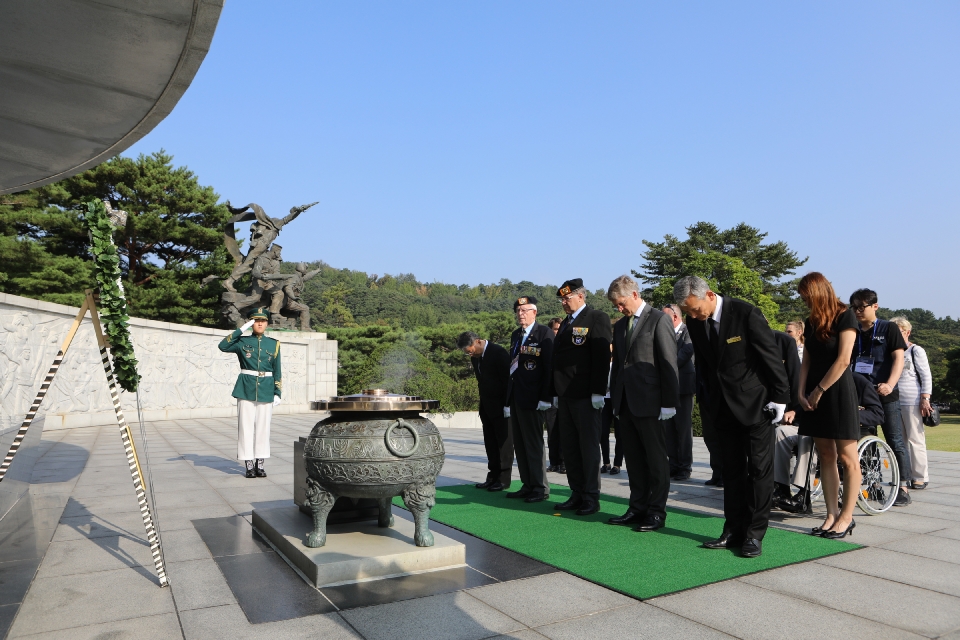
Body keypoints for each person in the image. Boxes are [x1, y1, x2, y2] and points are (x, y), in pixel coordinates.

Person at [675, 276, 789, 558]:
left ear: (710, 295)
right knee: (732, 471)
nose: (692, 315)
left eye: (694, 309)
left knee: (759, 470)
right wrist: (706, 399)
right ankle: (733, 529)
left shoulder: (745, 313)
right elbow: (703, 364)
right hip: (721, 407)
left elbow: (770, 356)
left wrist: (781, 398)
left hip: (756, 404)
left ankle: (754, 534)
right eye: (687, 311)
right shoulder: (695, 322)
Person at [607, 276, 679, 531]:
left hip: (651, 403)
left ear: (635, 295)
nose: (619, 308)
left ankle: (656, 512)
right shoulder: (619, 326)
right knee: (634, 460)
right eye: (615, 305)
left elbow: (669, 363)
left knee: (657, 461)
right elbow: (618, 368)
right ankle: (637, 507)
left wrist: (669, 403)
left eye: (621, 303)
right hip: (626, 403)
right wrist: (615, 401)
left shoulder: (659, 319)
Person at [796, 273, 862, 538]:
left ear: (818, 291)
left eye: (807, 296)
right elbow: (806, 361)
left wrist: (819, 390)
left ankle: (847, 517)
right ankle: (831, 514)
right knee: (825, 456)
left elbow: (844, 359)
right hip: (813, 392)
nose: (804, 301)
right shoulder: (811, 322)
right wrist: (800, 392)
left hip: (837, 392)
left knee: (847, 457)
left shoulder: (845, 315)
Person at [551, 278, 613, 516]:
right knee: (570, 447)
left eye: (568, 298)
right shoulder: (566, 323)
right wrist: (553, 392)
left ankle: (590, 497)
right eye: (562, 300)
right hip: (565, 394)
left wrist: (599, 390)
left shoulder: (596, 318)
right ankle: (576, 493)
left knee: (588, 447)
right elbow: (557, 360)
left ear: (581, 296)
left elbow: (600, 357)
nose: (565, 303)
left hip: (586, 394)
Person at [849, 288, 912, 506]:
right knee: (866, 441)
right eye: (854, 307)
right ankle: (873, 485)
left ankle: (902, 486)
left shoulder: (888, 328)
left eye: (861, 307)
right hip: (860, 395)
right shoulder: (852, 330)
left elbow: (898, 359)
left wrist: (890, 384)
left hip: (884, 392)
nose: (857, 311)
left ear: (875, 306)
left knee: (894, 439)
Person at [218, 307, 282, 478]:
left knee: (263, 428)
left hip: (267, 388)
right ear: (252, 323)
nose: (260, 323)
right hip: (246, 388)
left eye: (262, 321)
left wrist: (278, 392)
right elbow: (223, 346)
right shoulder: (242, 342)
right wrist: (242, 329)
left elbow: (277, 370)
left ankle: (260, 464)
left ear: (267, 323)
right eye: (256, 321)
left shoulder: (274, 344)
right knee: (245, 428)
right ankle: (248, 465)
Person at [505, 297, 554, 502]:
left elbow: (549, 367)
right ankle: (527, 484)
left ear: (535, 312)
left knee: (534, 444)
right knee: (521, 444)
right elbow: (513, 369)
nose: (520, 314)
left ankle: (540, 488)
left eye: (525, 310)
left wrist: (546, 397)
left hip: (534, 398)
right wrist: (508, 400)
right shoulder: (516, 335)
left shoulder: (543, 333)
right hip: (517, 396)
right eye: (518, 310)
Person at [459, 331, 513, 491]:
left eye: (470, 350)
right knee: (490, 443)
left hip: (503, 406)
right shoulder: (476, 358)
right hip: (487, 406)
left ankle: (503, 479)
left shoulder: (498, 353)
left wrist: (507, 404)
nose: (470, 354)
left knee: (504, 444)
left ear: (478, 342)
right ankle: (492, 476)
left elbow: (507, 380)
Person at [891, 317, 933, 490]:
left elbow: (926, 375)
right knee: (899, 441)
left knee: (915, 439)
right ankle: (903, 475)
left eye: (899, 331)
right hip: (893, 399)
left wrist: (925, 398)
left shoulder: (916, 350)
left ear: (907, 332)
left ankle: (919, 476)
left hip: (912, 399)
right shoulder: (890, 351)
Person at [771, 327, 805, 511]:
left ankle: (803, 491)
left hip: (821, 429)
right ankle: (781, 488)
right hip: (800, 421)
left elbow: (876, 413)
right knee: (779, 432)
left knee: (809, 439)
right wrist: (794, 411)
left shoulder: (857, 381)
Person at [663, 303, 695, 481]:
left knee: (683, 429)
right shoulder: (664, 333)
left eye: (665, 316)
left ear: (675, 317)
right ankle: (673, 464)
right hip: (667, 387)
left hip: (683, 386)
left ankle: (684, 466)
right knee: (669, 429)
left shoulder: (687, 331)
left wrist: (666, 366)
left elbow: (686, 352)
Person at [544, 317, 565, 473]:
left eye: (559, 328)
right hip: (551, 394)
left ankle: (564, 462)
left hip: (564, 393)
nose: (557, 331)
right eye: (555, 328)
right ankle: (554, 461)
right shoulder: (547, 345)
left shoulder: (565, 345)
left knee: (564, 429)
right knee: (552, 430)